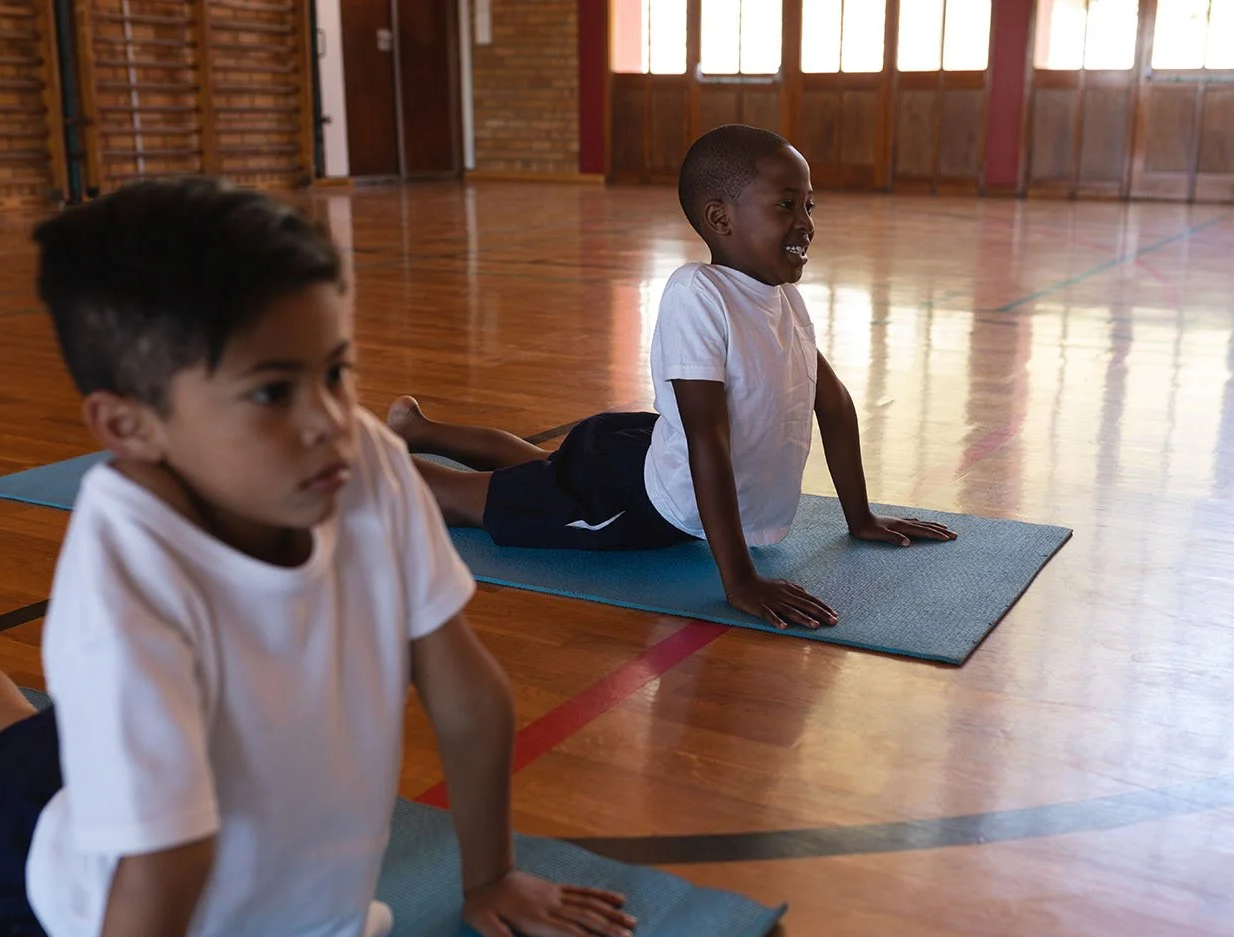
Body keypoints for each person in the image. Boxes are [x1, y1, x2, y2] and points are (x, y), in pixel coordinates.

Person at [0, 179, 633, 937]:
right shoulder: (125, 584)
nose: (328, 417)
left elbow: (466, 688)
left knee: (9, 729)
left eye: (336, 371)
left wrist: (491, 877)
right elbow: (156, 870)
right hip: (34, 875)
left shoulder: (362, 459)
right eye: (271, 392)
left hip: (155, 756)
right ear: (128, 426)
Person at [389, 124, 957, 631]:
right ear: (720, 218)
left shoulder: (784, 301)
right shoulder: (697, 294)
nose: (806, 224)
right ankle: (371, 463)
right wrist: (738, 582)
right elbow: (706, 439)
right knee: (471, 502)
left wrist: (860, 517)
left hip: (644, 450)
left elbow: (832, 406)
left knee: (544, 472)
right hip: (641, 495)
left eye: (810, 206)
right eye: (786, 205)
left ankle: (419, 428)